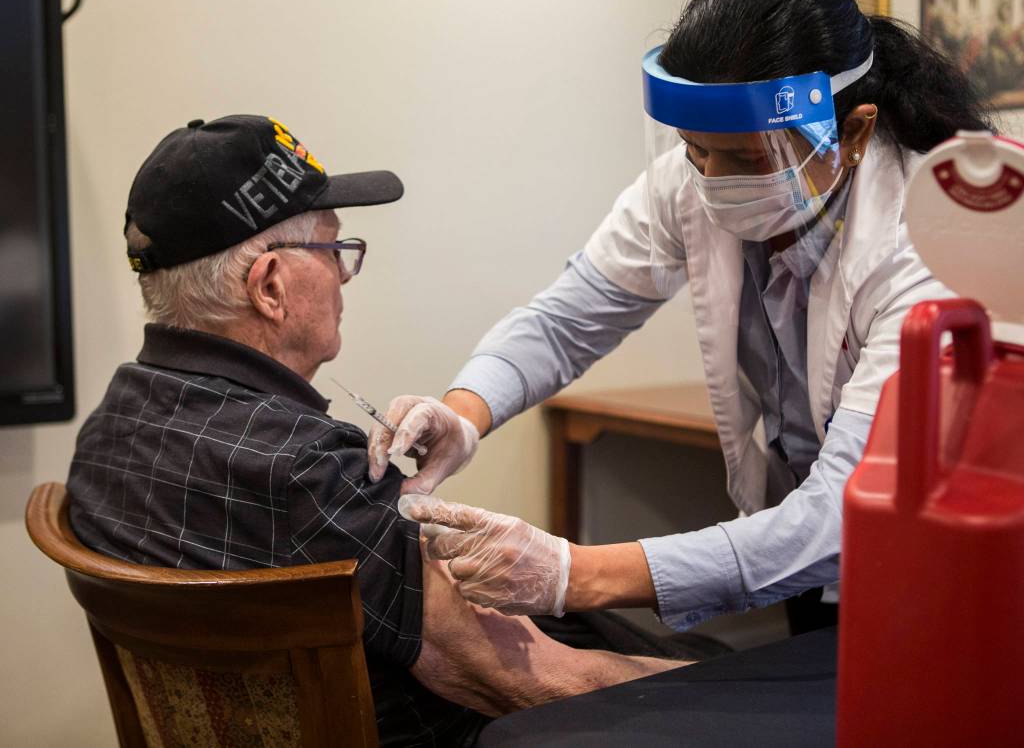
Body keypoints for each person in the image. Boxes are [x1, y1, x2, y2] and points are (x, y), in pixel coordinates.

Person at [368, 0, 993, 633]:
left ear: (853, 131)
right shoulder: (688, 184)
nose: (713, 182)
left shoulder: (929, 239)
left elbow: (849, 506)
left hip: (950, 561)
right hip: (808, 544)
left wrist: (572, 573)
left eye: (749, 159)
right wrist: (464, 412)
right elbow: (567, 320)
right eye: (696, 149)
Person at [65, 114, 687, 748]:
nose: (343, 277)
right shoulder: (307, 471)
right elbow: (523, 680)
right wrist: (739, 686)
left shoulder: (107, 431)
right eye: (336, 253)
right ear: (272, 288)